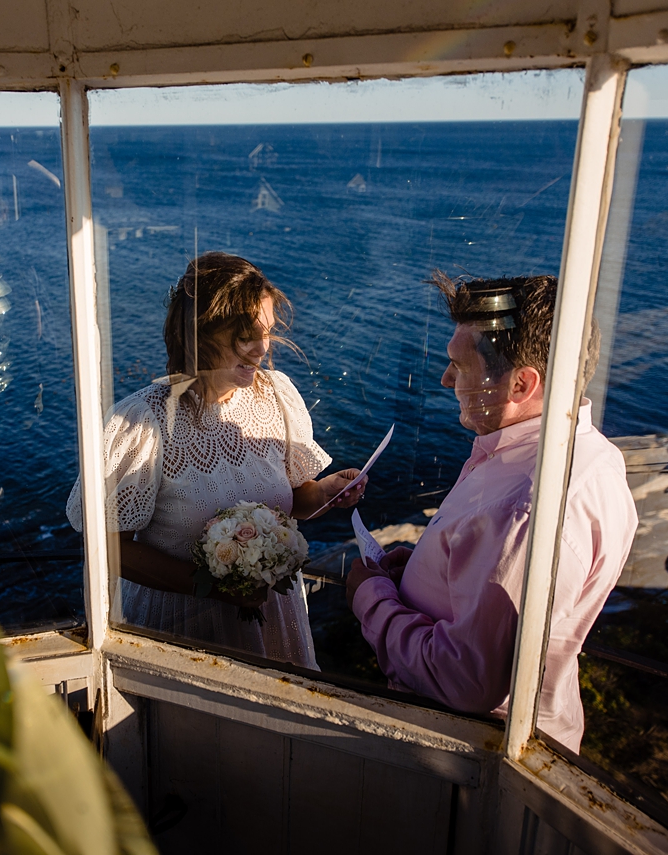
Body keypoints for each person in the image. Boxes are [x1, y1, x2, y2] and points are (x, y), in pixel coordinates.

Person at [345, 273, 637, 752]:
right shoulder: (593, 457)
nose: (445, 379)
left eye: (460, 366)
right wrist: (425, 571)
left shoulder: (524, 504)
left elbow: (464, 680)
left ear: (521, 383)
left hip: (463, 751)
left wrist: (370, 597)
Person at [67, 252, 364, 668]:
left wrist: (327, 492)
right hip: (182, 628)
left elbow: (292, 501)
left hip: (275, 619)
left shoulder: (276, 395)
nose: (263, 349)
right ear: (201, 334)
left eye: (268, 333)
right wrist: (212, 588)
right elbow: (108, 547)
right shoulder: (144, 421)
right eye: (246, 335)